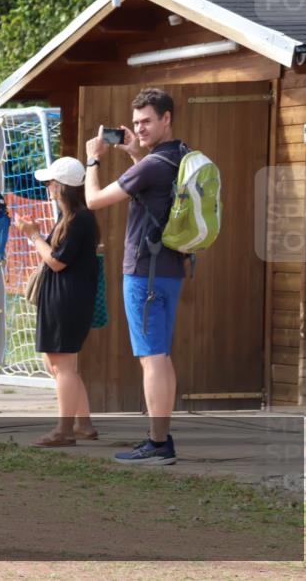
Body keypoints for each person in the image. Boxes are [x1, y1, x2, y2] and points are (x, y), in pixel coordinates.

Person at [85, 88, 186, 465]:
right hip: (170, 269)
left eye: (148, 121)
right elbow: (156, 185)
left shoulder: (151, 166)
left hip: (145, 272)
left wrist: (93, 161)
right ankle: (160, 438)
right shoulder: (180, 155)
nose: (141, 128)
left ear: (166, 118)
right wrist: (132, 150)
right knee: (160, 355)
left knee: (151, 357)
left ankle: (159, 443)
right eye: (137, 122)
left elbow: (94, 201)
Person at [14, 158, 99, 446]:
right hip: (62, 299)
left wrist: (33, 235)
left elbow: (57, 261)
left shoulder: (80, 219)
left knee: (62, 367)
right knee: (61, 366)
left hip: (67, 300)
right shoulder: (72, 218)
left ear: (62, 187)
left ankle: (64, 430)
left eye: (51, 182)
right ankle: (83, 423)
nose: (48, 187)